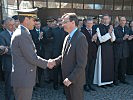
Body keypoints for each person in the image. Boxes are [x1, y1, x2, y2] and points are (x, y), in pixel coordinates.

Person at [10, 10, 52, 100]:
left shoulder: (22, 32)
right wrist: (48, 63)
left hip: (23, 77)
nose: (35, 23)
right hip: (23, 79)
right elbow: (32, 57)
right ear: (26, 20)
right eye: (33, 20)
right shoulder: (22, 34)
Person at [47, 13, 88, 100]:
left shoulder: (81, 38)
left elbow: (81, 64)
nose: (62, 24)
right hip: (67, 79)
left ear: (73, 23)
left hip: (75, 80)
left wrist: (70, 79)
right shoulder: (67, 37)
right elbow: (64, 55)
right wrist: (55, 61)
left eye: (65, 22)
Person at [93, 14, 116, 87]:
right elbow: (101, 39)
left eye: (107, 19)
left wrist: (111, 32)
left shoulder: (111, 27)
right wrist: (109, 32)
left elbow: (113, 39)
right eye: (104, 19)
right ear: (102, 20)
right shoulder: (98, 28)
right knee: (102, 66)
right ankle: (101, 82)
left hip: (109, 49)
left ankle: (108, 81)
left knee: (109, 65)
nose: (106, 20)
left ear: (109, 20)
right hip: (102, 48)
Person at [81, 18, 99, 92]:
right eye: (88, 23)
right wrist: (92, 39)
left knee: (91, 70)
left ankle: (90, 84)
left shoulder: (95, 31)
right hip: (85, 54)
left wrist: (95, 40)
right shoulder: (82, 31)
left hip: (93, 54)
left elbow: (98, 42)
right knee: (86, 70)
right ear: (85, 23)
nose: (90, 25)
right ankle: (85, 85)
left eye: (91, 23)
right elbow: (82, 43)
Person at [0, 17, 15, 100]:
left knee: (17, 85)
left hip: (17, 64)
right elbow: (2, 50)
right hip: (8, 64)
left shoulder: (17, 33)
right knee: (8, 85)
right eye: (10, 25)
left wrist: (8, 48)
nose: (12, 27)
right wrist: (15, 50)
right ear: (5, 26)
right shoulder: (2, 35)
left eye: (13, 25)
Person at [114, 17, 130, 85]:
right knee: (116, 67)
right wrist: (123, 38)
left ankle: (123, 79)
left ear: (126, 21)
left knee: (123, 67)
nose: (123, 22)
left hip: (125, 51)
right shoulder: (116, 29)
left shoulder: (127, 29)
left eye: (124, 20)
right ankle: (115, 80)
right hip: (118, 51)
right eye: (122, 20)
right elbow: (115, 40)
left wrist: (129, 38)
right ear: (119, 21)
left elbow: (128, 39)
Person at [30, 18, 44, 87]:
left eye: (38, 24)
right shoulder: (31, 32)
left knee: (41, 68)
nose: (38, 25)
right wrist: (39, 37)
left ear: (40, 24)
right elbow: (33, 43)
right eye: (36, 24)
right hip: (35, 52)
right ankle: (34, 83)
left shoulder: (44, 30)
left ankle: (40, 82)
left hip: (43, 52)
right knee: (34, 68)